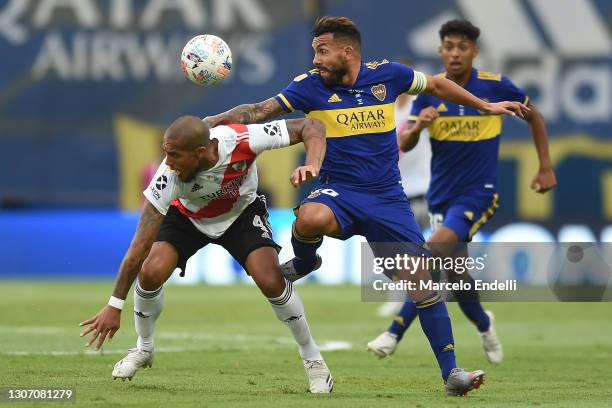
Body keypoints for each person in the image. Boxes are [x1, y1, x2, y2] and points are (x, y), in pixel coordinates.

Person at [204, 16, 529, 396]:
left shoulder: (388, 75)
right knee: (309, 216)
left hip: (389, 199)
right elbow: (259, 111)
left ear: (348, 51)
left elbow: (438, 84)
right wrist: (213, 122)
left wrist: (486, 107)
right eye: (314, 52)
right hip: (341, 192)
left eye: (323, 51)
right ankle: (308, 261)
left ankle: (452, 373)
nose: (317, 60)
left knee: (420, 283)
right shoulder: (309, 87)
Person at [79, 116, 334, 393]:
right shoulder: (168, 178)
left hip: (241, 214)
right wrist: (115, 305)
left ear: (200, 152)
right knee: (151, 271)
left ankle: (314, 360)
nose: (167, 162)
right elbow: (139, 246)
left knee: (271, 281)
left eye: (174, 154)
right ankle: (144, 347)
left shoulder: (243, 139)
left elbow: (312, 127)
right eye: (166, 152)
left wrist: (312, 163)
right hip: (187, 217)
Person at [367, 19, 557, 365]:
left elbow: (535, 117)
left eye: (463, 47)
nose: (455, 53)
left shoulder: (496, 87)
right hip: (441, 196)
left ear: (475, 51)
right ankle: (485, 324)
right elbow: (405, 143)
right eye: (449, 47)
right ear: (440, 51)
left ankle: (393, 332)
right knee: (456, 275)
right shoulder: (431, 91)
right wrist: (419, 125)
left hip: (478, 194)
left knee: (432, 252)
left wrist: (545, 166)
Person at [378, 57, 432, 317]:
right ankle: (399, 296)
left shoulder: (422, 108)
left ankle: (417, 295)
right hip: (395, 189)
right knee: (395, 248)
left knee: (413, 247)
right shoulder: (385, 111)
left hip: (423, 186)